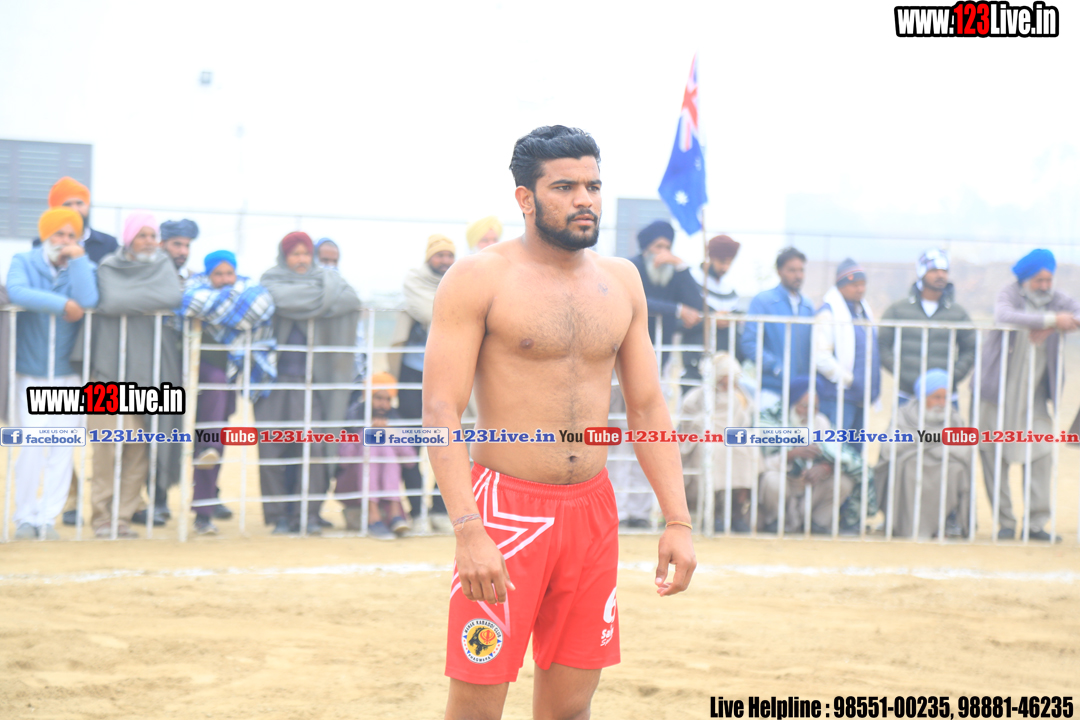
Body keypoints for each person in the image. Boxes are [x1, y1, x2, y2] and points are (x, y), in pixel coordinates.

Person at [425, 125, 695, 720]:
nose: (584, 200)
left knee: (571, 705)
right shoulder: (478, 278)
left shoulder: (621, 280)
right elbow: (441, 412)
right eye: (565, 187)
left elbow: (647, 407)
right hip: (505, 514)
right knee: (476, 706)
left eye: (593, 186)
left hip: (592, 513)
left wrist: (677, 519)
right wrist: (468, 529)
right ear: (525, 198)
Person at [78, 213, 183, 538]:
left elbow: (172, 297)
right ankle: (101, 517)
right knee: (106, 445)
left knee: (139, 446)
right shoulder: (110, 266)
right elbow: (112, 301)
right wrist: (144, 298)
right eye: (142, 235)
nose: (149, 241)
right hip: (108, 368)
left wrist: (130, 300)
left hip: (150, 371)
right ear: (129, 239)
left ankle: (122, 518)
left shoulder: (164, 265)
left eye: (153, 235)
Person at [257, 231, 360, 535]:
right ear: (284, 256)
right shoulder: (271, 280)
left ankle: (308, 514)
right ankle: (278, 516)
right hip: (273, 382)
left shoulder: (329, 280)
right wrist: (319, 301)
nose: (301, 260)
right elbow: (275, 298)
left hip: (313, 382)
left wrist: (304, 300)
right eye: (295, 254)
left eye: (305, 254)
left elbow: (351, 299)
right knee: (272, 448)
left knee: (314, 447)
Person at [7, 208, 98, 540]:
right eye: (59, 234)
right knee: (32, 443)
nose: (64, 241)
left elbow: (88, 298)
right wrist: (61, 305)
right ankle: (24, 516)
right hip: (31, 372)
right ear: (45, 235)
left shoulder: (82, 266)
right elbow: (17, 291)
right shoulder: (23, 261)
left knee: (62, 447)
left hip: (69, 375)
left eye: (72, 235)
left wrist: (78, 259)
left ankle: (48, 517)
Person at [978, 249, 1080, 542]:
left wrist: (1052, 325)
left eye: (1049, 279)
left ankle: (1036, 524)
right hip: (996, 395)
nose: (1045, 285)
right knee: (993, 455)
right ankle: (1005, 522)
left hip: (1035, 398)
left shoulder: (1059, 299)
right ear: (1026, 280)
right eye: (1039, 280)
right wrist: (1050, 320)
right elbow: (1004, 315)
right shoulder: (1009, 294)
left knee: (1041, 454)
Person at [178, 250, 276, 535]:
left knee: (213, 444)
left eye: (229, 274)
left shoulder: (249, 290)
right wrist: (231, 301)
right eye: (218, 274)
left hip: (229, 375)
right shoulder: (195, 290)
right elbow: (190, 302)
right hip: (194, 378)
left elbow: (259, 305)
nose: (224, 280)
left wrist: (217, 305)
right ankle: (174, 505)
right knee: (202, 440)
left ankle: (204, 511)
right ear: (208, 275)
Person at [758, 375, 873, 534]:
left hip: (811, 484)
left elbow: (839, 453)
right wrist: (791, 455)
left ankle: (818, 524)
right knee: (771, 480)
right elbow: (761, 463)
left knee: (843, 482)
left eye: (815, 407)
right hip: (784, 480)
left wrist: (825, 468)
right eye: (804, 406)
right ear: (793, 402)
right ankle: (776, 522)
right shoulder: (771, 421)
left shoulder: (821, 422)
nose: (810, 412)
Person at [395, 234, 455, 525]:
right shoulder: (414, 280)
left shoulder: (460, 280)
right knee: (411, 444)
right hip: (413, 373)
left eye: (449, 255)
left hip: (449, 372)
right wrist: (460, 310)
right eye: (439, 255)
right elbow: (430, 311)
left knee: (450, 442)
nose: (445, 261)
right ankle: (416, 509)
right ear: (429, 257)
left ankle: (440, 509)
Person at [874, 369, 971, 539]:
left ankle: (948, 522)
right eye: (936, 397)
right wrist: (936, 442)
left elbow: (964, 449)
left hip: (943, 462)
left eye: (945, 397)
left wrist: (924, 443)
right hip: (912, 461)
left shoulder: (953, 417)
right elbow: (890, 446)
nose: (942, 403)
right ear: (923, 397)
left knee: (956, 469)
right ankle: (905, 524)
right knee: (908, 466)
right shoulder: (904, 414)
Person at [878, 249, 976, 403]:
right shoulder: (898, 309)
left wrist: (951, 377)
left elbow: (970, 348)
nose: (940, 275)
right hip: (908, 394)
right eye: (934, 270)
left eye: (944, 271)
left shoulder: (958, 313)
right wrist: (903, 373)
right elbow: (882, 345)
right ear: (922, 272)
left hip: (945, 397)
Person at [679, 352, 755, 532]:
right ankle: (712, 512)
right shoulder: (695, 397)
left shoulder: (738, 398)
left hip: (729, 439)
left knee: (748, 450)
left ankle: (735, 510)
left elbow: (742, 423)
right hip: (704, 441)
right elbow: (688, 429)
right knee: (711, 452)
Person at [812, 258, 880, 446]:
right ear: (841, 286)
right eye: (854, 285)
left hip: (860, 396)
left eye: (863, 284)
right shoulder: (829, 312)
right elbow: (821, 356)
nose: (860, 289)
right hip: (838, 396)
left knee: (856, 451)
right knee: (835, 449)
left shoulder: (862, 311)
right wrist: (849, 380)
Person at [629, 220, 705, 388]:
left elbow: (696, 305)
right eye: (659, 247)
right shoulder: (631, 267)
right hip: (631, 346)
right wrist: (677, 310)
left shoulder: (673, 272)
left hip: (662, 349)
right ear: (647, 248)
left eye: (668, 248)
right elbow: (636, 301)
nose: (664, 253)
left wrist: (681, 266)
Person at [336, 372, 413, 537]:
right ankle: (374, 515)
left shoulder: (394, 418)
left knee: (384, 444)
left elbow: (410, 461)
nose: (383, 405)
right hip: (352, 483)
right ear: (368, 397)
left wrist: (392, 434)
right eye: (378, 398)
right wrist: (366, 433)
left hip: (384, 487)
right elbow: (344, 461)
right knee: (372, 443)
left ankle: (394, 514)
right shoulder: (353, 416)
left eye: (388, 399)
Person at [740, 247, 815, 413]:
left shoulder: (807, 306)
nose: (798, 275)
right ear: (779, 271)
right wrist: (775, 367)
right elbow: (749, 343)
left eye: (801, 270)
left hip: (801, 394)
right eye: (792, 270)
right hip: (772, 388)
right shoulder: (764, 301)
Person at [33, 177, 118, 264]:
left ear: (87, 206)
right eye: (67, 204)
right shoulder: (40, 244)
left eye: (79, 203)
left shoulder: (109, 243)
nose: (75, 210)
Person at [690, 234, 741, 353]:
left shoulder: (729, 289)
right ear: (711, 258)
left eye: (729, 263)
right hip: (698, 351)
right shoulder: (692, 280)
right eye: (722, 262)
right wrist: (711, 319)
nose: (725, 268)